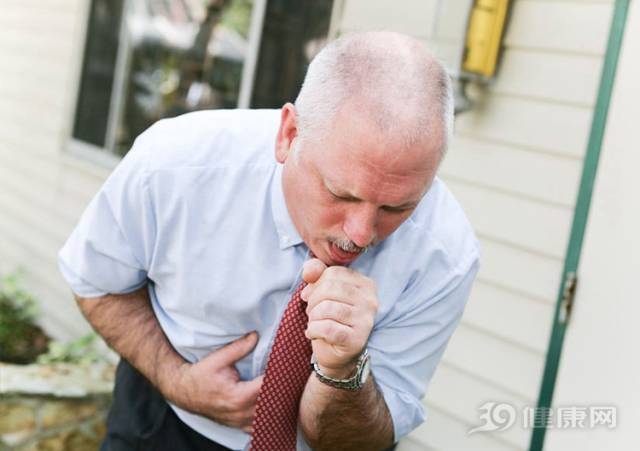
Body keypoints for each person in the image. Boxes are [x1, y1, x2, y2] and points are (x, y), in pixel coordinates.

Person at [58, 31, 480, 451]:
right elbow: (98, 283)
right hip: (162, 420)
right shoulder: (174, 166)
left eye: (397, 208)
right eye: (341, 194)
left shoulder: (445, 253)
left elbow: (360, 440)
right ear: (289, 134)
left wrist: (343, 368)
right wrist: (176, 380)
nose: (360, 233)